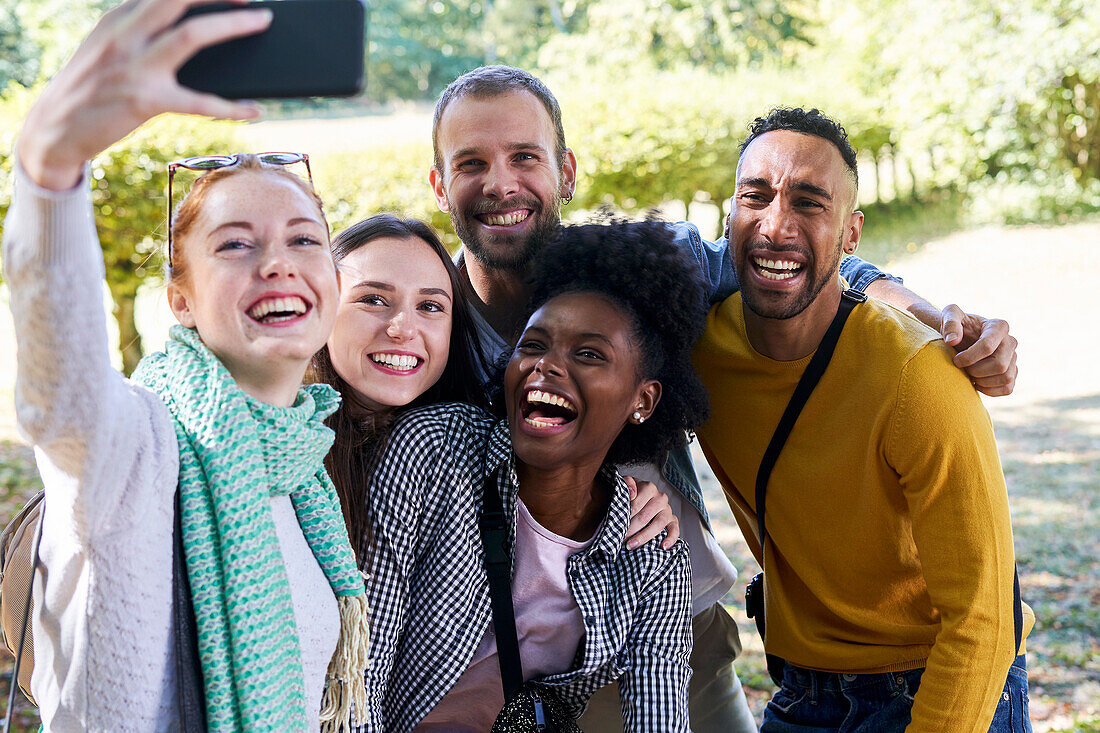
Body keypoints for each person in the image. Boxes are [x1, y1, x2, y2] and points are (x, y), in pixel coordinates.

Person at [426, 64, 1021, 731]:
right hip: (508, 660)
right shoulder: (421, 322)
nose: (501, 183)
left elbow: (816, 269)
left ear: (566, 172)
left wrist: (939, 322)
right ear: (440, 184)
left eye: (524, 157)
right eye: (471, 162)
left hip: (682, 641)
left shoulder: (644, 273)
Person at [2, 1, 370, 730]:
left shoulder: (302, 471)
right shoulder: (135, 444)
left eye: (304, 240)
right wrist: (48, 168)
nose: (277, 263)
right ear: (182, 299)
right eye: (235, 245)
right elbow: (60, 390)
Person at [693, 107, 1034, 732]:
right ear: (729, 216)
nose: (775, 225)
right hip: (801, 687)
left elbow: (983, 617)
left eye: (809, 202)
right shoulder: (699, 356)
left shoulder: (917, 378)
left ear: (851, 235)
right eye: (756, 197)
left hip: (939, 675)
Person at [361, 219, 712, 732]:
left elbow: (659, 714)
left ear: (643, 400)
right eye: (533, 345)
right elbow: (363, 661)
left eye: (589, 354)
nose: (546, 367)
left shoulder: (649, 555)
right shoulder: (434, 452)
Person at [311, 214, 681, 565]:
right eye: (373, 299)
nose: (403, 328)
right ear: (320, 302)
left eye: (430, 305)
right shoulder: (274, 442)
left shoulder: (479, 449)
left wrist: (626, 499)